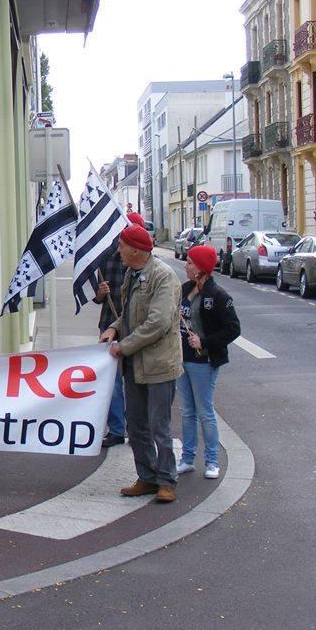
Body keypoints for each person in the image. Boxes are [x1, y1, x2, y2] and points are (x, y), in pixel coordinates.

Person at [100, 225, 183, 503]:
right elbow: (128, 314)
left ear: (136, 250)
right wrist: (114, 328)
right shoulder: (131, 274)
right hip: (135, 366)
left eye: (122, 246)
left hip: (159, 365)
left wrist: (123, 346)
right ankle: (147, 476)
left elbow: (158, 323)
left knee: (159, 427)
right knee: (135, 426)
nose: (118, 251)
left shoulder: (164, 276)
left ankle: (167, 480)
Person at [176, 245, 240, 479]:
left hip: (203, 361)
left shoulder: (218, 295)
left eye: (190, 262)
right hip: (182, 358)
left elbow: (233, 329)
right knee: (187, 411)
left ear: (201, 268)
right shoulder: (185, 289)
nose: (186, 266)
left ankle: (212, 461)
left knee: (204, 411)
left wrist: (204, 341)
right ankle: (187, 459)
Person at [96, 212, 146, 448]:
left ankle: (136, 428)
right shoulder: (108, 257)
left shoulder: (149, 267)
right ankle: (117, 429)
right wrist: (100, 293)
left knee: (136, 381)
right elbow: (96, 297)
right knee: (113, 383)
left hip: (137, 330)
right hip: (110, 324)